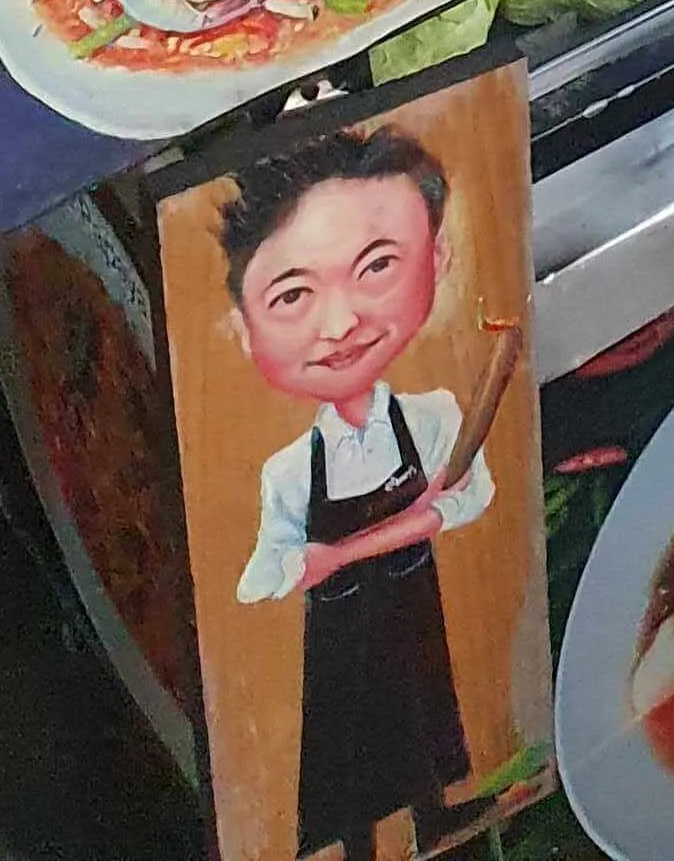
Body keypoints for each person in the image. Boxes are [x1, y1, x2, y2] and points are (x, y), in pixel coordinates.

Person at [224, 121, 523, 861]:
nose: (342, 323)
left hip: (410, 611)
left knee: (423, 716)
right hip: (340, 633)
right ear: (243, 329)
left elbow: (465, 497)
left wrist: (364, 544)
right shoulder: (292, 469)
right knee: (349, 748)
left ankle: (437, 820)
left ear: (438, 257)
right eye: (292, 295)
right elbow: (264, 576)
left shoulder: (427, 419)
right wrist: (322, 559)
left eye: (378, 266)